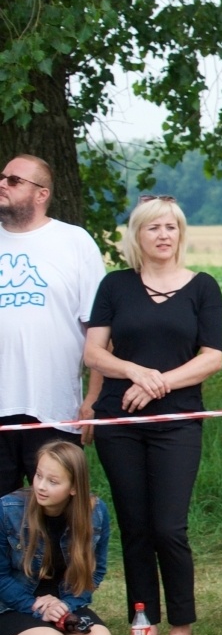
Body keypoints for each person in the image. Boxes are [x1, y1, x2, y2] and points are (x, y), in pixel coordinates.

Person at [84, 196, 222, 635]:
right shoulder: (115, 286)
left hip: (177, 422)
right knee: (135, 526)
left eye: (171, 227)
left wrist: (157, 382)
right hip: (119, 421)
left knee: (169, 527)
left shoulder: (203, 287)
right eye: (153, 228)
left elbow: (211, 358)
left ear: (180, 234)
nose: (163, 235)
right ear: (137, 236)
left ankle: (180, 630)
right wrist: (133, 371)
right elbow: (94, 353)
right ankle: (142, 625)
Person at [0, 154, 104, 492]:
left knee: (57, 519)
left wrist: (93, 398)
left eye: (14, 180)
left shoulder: (75, 242)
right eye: (2, 177)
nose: (3, 184)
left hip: (53, 406)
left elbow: (99, 329)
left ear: (41, 193)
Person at [0, 441, 114, 635]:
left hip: (64, 602)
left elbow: (95, 572)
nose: (41, 486)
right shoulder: (7, 509)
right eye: (38, 475)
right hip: (12, 602)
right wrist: (36, 606)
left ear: (74, 488)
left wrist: (66, 606)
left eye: (53, 481)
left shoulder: (96, 512)